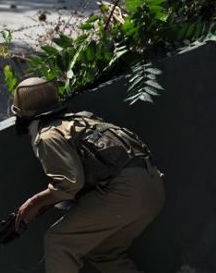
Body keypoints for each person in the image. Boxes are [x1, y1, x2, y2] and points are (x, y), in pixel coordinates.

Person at [12, 77, 165, 273]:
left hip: (124, 193)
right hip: (152, 185)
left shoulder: (48, 135)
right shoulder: (83, 119)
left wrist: (34, 203)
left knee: (59, 241)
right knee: (103, 252)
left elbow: (70, 183)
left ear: (24, 116)